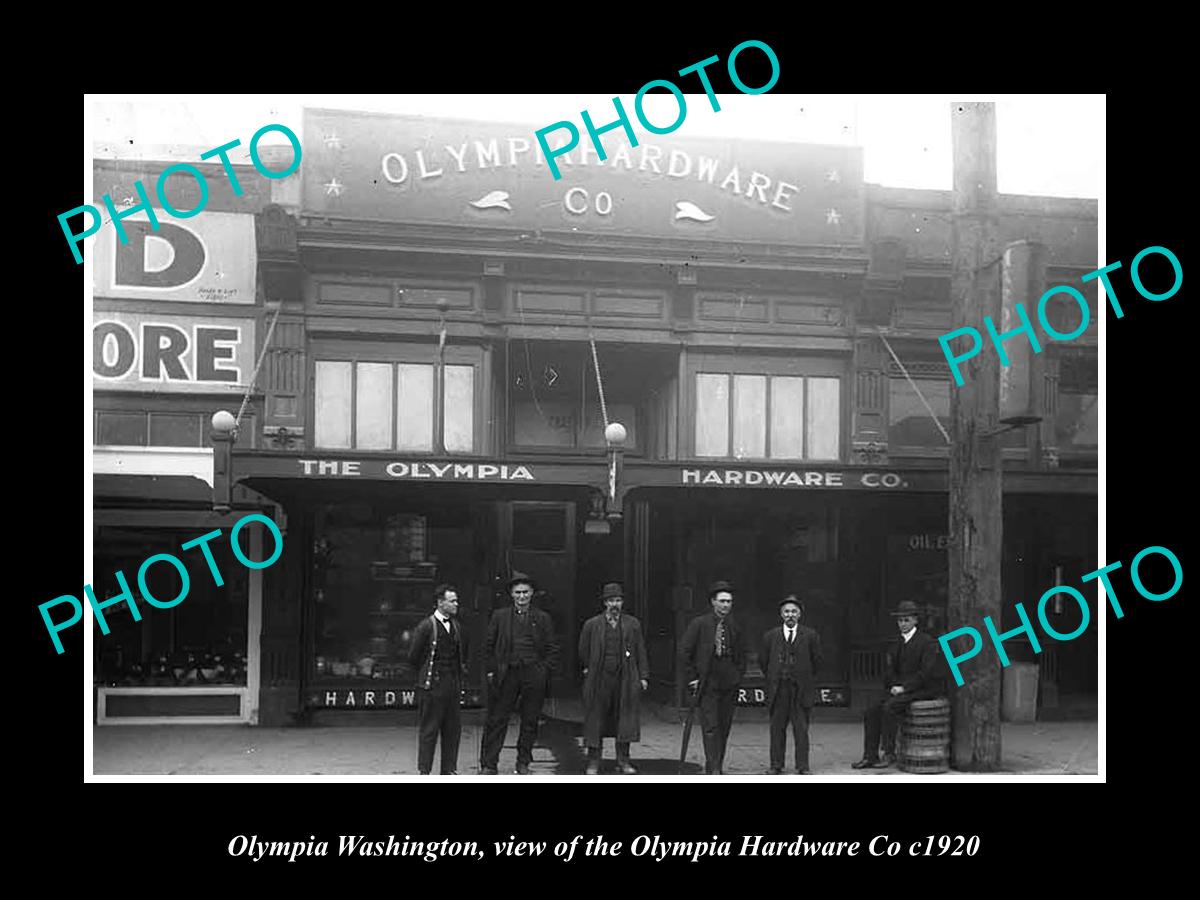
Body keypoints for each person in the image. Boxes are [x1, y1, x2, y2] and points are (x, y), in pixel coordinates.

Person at [479, 572, 560, 775]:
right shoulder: (500, 616)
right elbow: (488, 646)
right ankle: (489, 764)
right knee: (498, 719)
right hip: (507, 673)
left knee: (530, 720)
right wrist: (491, 670)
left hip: (533, 672)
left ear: (532, 593)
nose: (522, 597)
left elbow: (552, 648)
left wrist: (542, 670)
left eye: (525, 592)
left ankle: (523, 762)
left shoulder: (542, 618)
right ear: (511, 595)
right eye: (518, 593)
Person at [851, 600, 945, 769]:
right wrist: (894, 686)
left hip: (922, 689)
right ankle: (870, 756)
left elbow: (926, 672)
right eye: (900, 620)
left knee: (890, 708)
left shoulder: (927, 642)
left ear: (915, 620)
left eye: (906, 620)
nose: (903, 624)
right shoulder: (896, 643)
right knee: (871, 710)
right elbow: (890, 671)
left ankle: (889, 753)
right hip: (899, 690)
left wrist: (904, 688)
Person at [578, 582, 649, 775]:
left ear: (622, 602)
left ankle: (623, 760)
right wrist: (588, 669)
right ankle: (593, 761)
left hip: (625, 678)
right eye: (610, 601)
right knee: (596, 719)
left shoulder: (632, 624)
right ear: (604, 603)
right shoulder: (592, 625)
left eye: (617, 600)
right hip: (600, 679)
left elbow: (640, 650)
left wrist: (643, 676)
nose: (614, 604)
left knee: (624, 719)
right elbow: (583, 650)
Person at [679, 580, 747, 775]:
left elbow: (741, 655)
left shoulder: (734, 626)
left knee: (724, 725)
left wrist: (737, 676)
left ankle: (718, 764)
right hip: (707, 681)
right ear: (713, 602)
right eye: (722, 601)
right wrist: (693, 677)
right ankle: (713, 768)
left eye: (729, 601)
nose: (726, 605)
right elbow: (684, 651)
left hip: (729, 681)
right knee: (711, 726)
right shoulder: (700, 624)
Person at [407, 583, 468, 775]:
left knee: (453, 730)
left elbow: (461, 656)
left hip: (452, 684)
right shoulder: (426, 626)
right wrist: (425, 679)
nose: (456, 604)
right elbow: (414, 657)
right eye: (452, 601)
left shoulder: (456, 626)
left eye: (456, 600)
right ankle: (424, 771)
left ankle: (449, 770)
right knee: (429, 730)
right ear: (441, 603)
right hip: (432, 686)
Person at [761, 594, 823, 775]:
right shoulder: (770, 636)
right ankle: (776, 765)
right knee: (777, 729)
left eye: (794, 611)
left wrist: (804, 678)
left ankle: (803, 766)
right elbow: (764, 662)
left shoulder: (810, 635)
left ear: (800, 615)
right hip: (779, 689)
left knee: (801, 729)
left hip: (800, 690)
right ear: (781, 614)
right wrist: (776, 677)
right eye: (787, 611)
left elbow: (817, 662)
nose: (790, 615)